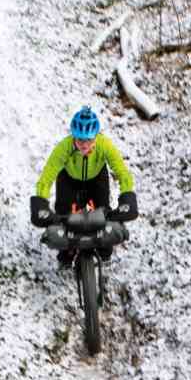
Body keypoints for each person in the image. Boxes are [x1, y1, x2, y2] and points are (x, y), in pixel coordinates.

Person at [30, 106, 138, 265]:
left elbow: (121, 171)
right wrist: (41, 201)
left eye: (89, 139)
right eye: (80, 139)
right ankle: (66, 256)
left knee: (103, 213)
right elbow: (47, 176)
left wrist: (127, 196)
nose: (84, 145)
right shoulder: (64, 147)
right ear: (74, 136)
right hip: (69, 180)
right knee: (65, 216)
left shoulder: (104, 145)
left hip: (96, 179)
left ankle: (104, 252)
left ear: (96, 137)